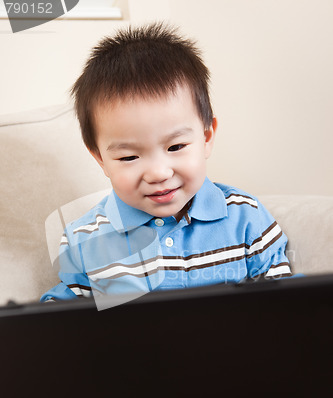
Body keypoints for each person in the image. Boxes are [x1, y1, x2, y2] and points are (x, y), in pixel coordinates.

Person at [41, 22, 292, 302]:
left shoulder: (246, 218)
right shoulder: (85, 239)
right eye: (129, 157)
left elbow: (286, 303)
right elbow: (62, 320)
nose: (159, 173)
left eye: (176, 146)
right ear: (100, 158)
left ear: (206, 137)